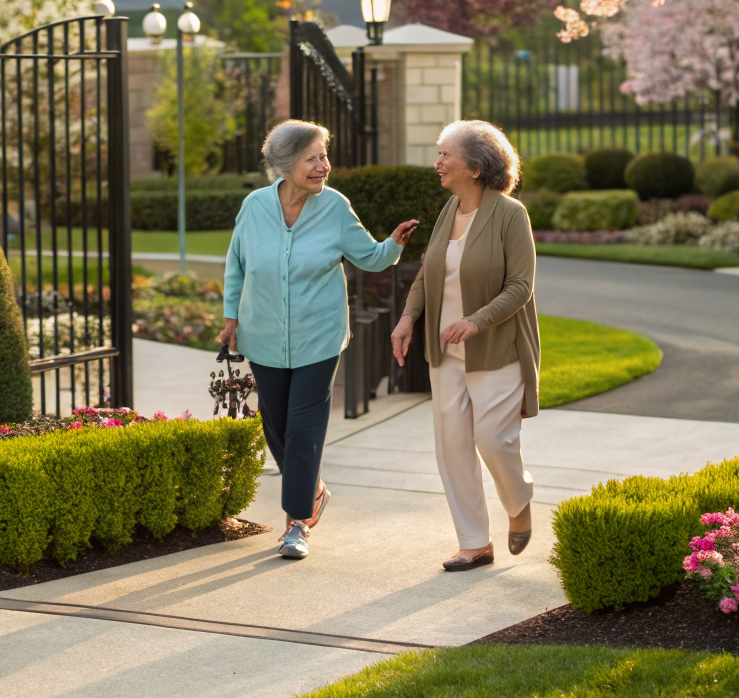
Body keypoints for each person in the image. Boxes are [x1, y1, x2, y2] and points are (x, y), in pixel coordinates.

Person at [219, 120, 418, 560]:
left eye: (324, 156)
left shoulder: (335, 207)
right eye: (312, 158)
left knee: (304, 427)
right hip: (263, 333)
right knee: (276, 426)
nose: (323, 166)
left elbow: (368, 255)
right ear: (286, 165)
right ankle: (316, 490)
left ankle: (296, 524)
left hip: (319, 337)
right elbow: (237, 264)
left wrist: (393, 244)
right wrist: (231, 317)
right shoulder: (254, 207)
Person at [390, 120, 539, 572]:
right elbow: (428, 272)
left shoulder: (510, 214)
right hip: (445, 353)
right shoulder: (448, 210)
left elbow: (521, 286)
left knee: (493, 441)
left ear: (474, 166)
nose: (437, 163)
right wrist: (407, 317)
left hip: (496, 348)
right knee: (453, 445)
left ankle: (519, 502)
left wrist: (476, 321)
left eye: (445, 155)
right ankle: (474, 543)